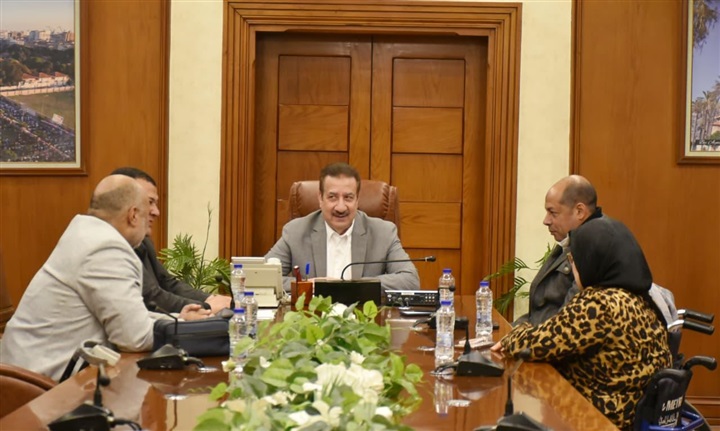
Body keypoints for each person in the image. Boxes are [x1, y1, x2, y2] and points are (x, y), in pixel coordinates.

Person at [0, 175, 207, 381]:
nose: (155, 215)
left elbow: (125, 316)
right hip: (37, 386)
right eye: (147, 212)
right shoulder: (105, 248)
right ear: (133, 215)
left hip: (32, 373)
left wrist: (179, 320)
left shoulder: (87, 235)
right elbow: (134, 337)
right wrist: (191, 331)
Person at [492, 217, 672, 431]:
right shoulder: (641, 299)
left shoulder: (600, 304)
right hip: (627, 416)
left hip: (598, 419)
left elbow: (535, 344)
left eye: (575, 259)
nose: (573, 266)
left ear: (593, 262)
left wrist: (518, 331)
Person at [265, 162, 420, 292]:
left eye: (348, 197)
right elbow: (262, 278)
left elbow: (410, 280)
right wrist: (310, 286)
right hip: (312, 316)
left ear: (357, 200)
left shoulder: (383, 233)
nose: (341, 207)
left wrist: (352, 286)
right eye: (332, 197)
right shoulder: (295, 232)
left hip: (364, 316)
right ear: (320, 199)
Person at [111, 167, 231, 314]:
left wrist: (210, 299)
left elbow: (167, 282)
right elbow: (151, 296)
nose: (156, 212)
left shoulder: (144, 241)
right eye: (149, 202)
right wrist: (207, 307)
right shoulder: (111, 248)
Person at [514, 175, 603, 326]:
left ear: (579, 212)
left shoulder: (592, 248)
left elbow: (565, 322)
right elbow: (538, 313)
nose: (546, 221)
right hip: (538, 334)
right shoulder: (570, 241)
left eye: (553, 213)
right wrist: (510, 331)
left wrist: (516, 337)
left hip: (551, 338)